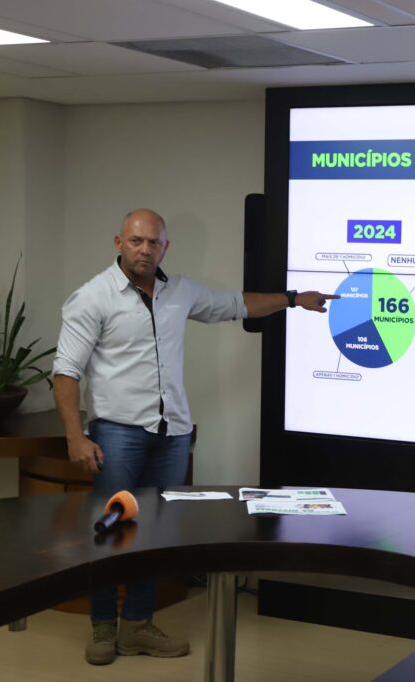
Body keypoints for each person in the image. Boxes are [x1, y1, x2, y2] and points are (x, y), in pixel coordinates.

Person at [52, 208, 337, 665]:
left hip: (172, 434)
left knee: (152, 534)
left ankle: (137, 626)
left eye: (154, 242)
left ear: (165, 247)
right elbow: (66, 372)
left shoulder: (180, 291)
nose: (145, 250)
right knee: (109, 531)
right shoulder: (92, 297)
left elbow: (236, 305)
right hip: (117, 433)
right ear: (119, 243)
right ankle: (103, 626)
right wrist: (75, 437)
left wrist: (292, 298)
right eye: (136, 241)